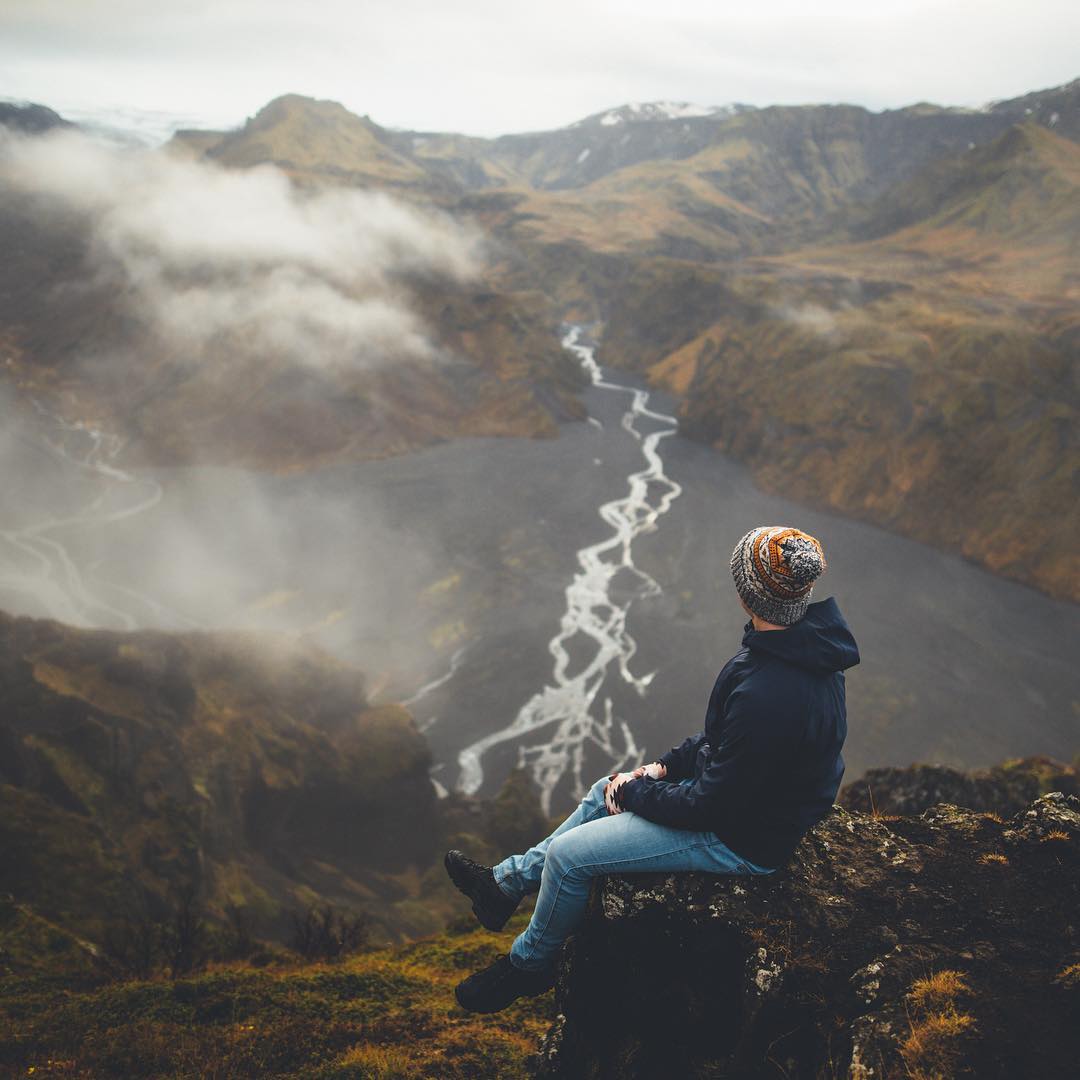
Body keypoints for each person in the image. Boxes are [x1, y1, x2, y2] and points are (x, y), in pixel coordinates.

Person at [446, 525, 860, 1014]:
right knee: (607, 786)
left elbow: (714, 805)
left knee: (570, 858)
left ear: (747, 592)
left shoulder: (771, 690)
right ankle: (504, 885)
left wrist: (636, 795)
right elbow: (724, 742)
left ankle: (530, 964)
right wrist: (663, 768)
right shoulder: (797, 649)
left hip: (743, 837)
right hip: (748, 805)